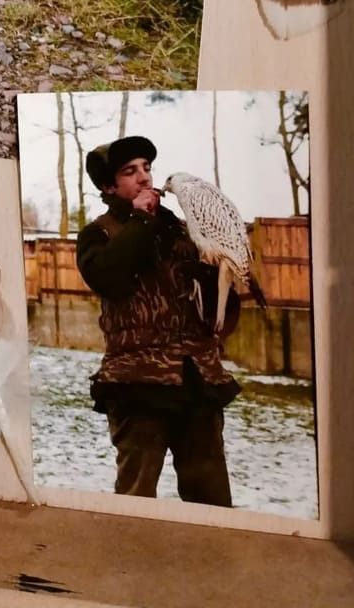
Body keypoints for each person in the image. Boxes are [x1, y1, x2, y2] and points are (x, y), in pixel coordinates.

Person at [75, 135, 240, 506]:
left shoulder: (183, 230)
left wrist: (225, 278)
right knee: (136, 498)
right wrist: (139, 219)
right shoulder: (99, 234)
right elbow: (108, 277)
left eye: (147, 168)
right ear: (108, 186)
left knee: (211, 498)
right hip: (138, 383)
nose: (144, 177)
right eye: (129, 171)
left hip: (198, 380)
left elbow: (217, 306)